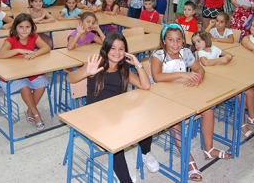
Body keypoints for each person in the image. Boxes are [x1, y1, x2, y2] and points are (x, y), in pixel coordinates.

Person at [66, 32, 158, 183]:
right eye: (113, 48)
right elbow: (70, 78)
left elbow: (145, 85)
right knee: (117, 144)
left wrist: (138, 64)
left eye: (121, 49)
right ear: (106, 48)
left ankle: (146, 153)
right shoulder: (96, 65)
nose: (117, 52)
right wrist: (86, 72)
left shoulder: (124, 70)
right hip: (94, 117)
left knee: (145, 125)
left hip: (116, 114)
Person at [150, 23, 205, 182]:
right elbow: (157, 77)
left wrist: (197, 79)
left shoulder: (185, 53)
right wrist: (181, 75)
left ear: (183, 40)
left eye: (179, 40)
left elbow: (200, 69)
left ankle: (209, 149)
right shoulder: (158, 55)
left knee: (208, 110)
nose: (175, 44)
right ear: (164, 41)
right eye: (171, 40)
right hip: (161, 99)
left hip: (182, 95)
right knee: (175, 123)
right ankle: (190, 162)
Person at [0, 13, 51, 131]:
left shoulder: (34, 36)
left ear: (32, 27)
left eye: (27, 27)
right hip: (12, 74)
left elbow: (46, 47)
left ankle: (30, 110)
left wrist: (35, 53)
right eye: (21, 27)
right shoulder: (11, 39)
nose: (24, 30)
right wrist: (18, 50)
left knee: (42, 85)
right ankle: (36, 114)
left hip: (29, 71)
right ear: (15, 28)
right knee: (25, 87)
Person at [191, 31, 232, 159]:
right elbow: (207, 63)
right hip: (204, 84)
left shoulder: (214, 49)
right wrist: (221, 59)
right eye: (194, 43)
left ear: (206, 40)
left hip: (215, 80)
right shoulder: (200, 53)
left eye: (198, 41)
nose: (196, 45)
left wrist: (228, 56)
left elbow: (228, 54)